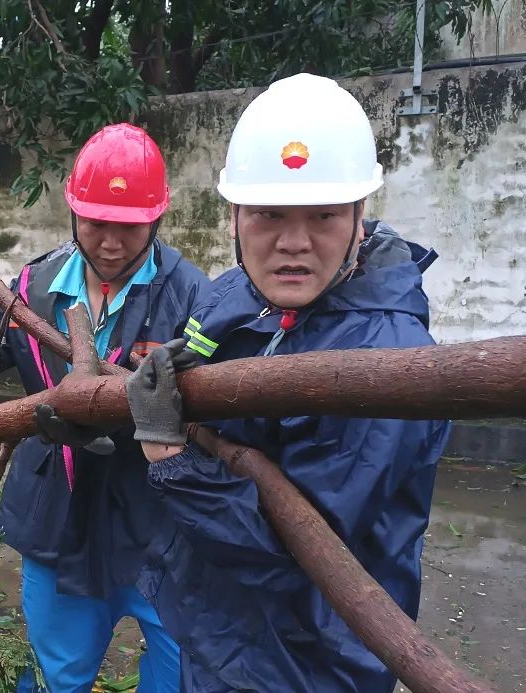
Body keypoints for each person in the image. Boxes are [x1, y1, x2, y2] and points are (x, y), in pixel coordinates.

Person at [101, 73, 449, 692]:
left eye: (323, 216)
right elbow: (196, 359)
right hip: (216, 627)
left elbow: (290, 551)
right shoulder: (237, 290)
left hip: (306, 661)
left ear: (359, 219)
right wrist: (99, 419)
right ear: (235, 217)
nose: (294, 244)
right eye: (268, 215)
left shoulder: (384, 362)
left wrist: (166, 454)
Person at [0, 123, 210, 692]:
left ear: (156, 220)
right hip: (59, 514)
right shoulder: (37, 281)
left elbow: (210, 409)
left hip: (157, 522)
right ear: (72, 212)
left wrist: (148, 414)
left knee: (181, 673)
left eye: (128, 226)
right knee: (61, 672)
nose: (110, 241)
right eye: (96, 222)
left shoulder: (193, 296)